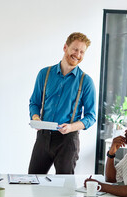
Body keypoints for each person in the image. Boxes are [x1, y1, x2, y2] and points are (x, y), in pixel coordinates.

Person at [28, 32, 96, 174]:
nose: (78, 54)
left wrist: (71, 127)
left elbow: (91, 116)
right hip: (43, 137)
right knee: (33, 181)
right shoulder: (44, 74)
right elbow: (34, 103)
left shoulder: (86, 82)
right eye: (75, 49)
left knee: (65, 186)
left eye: (82, 52)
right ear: (65, 47)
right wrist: (35, 118)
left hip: (68, 140)